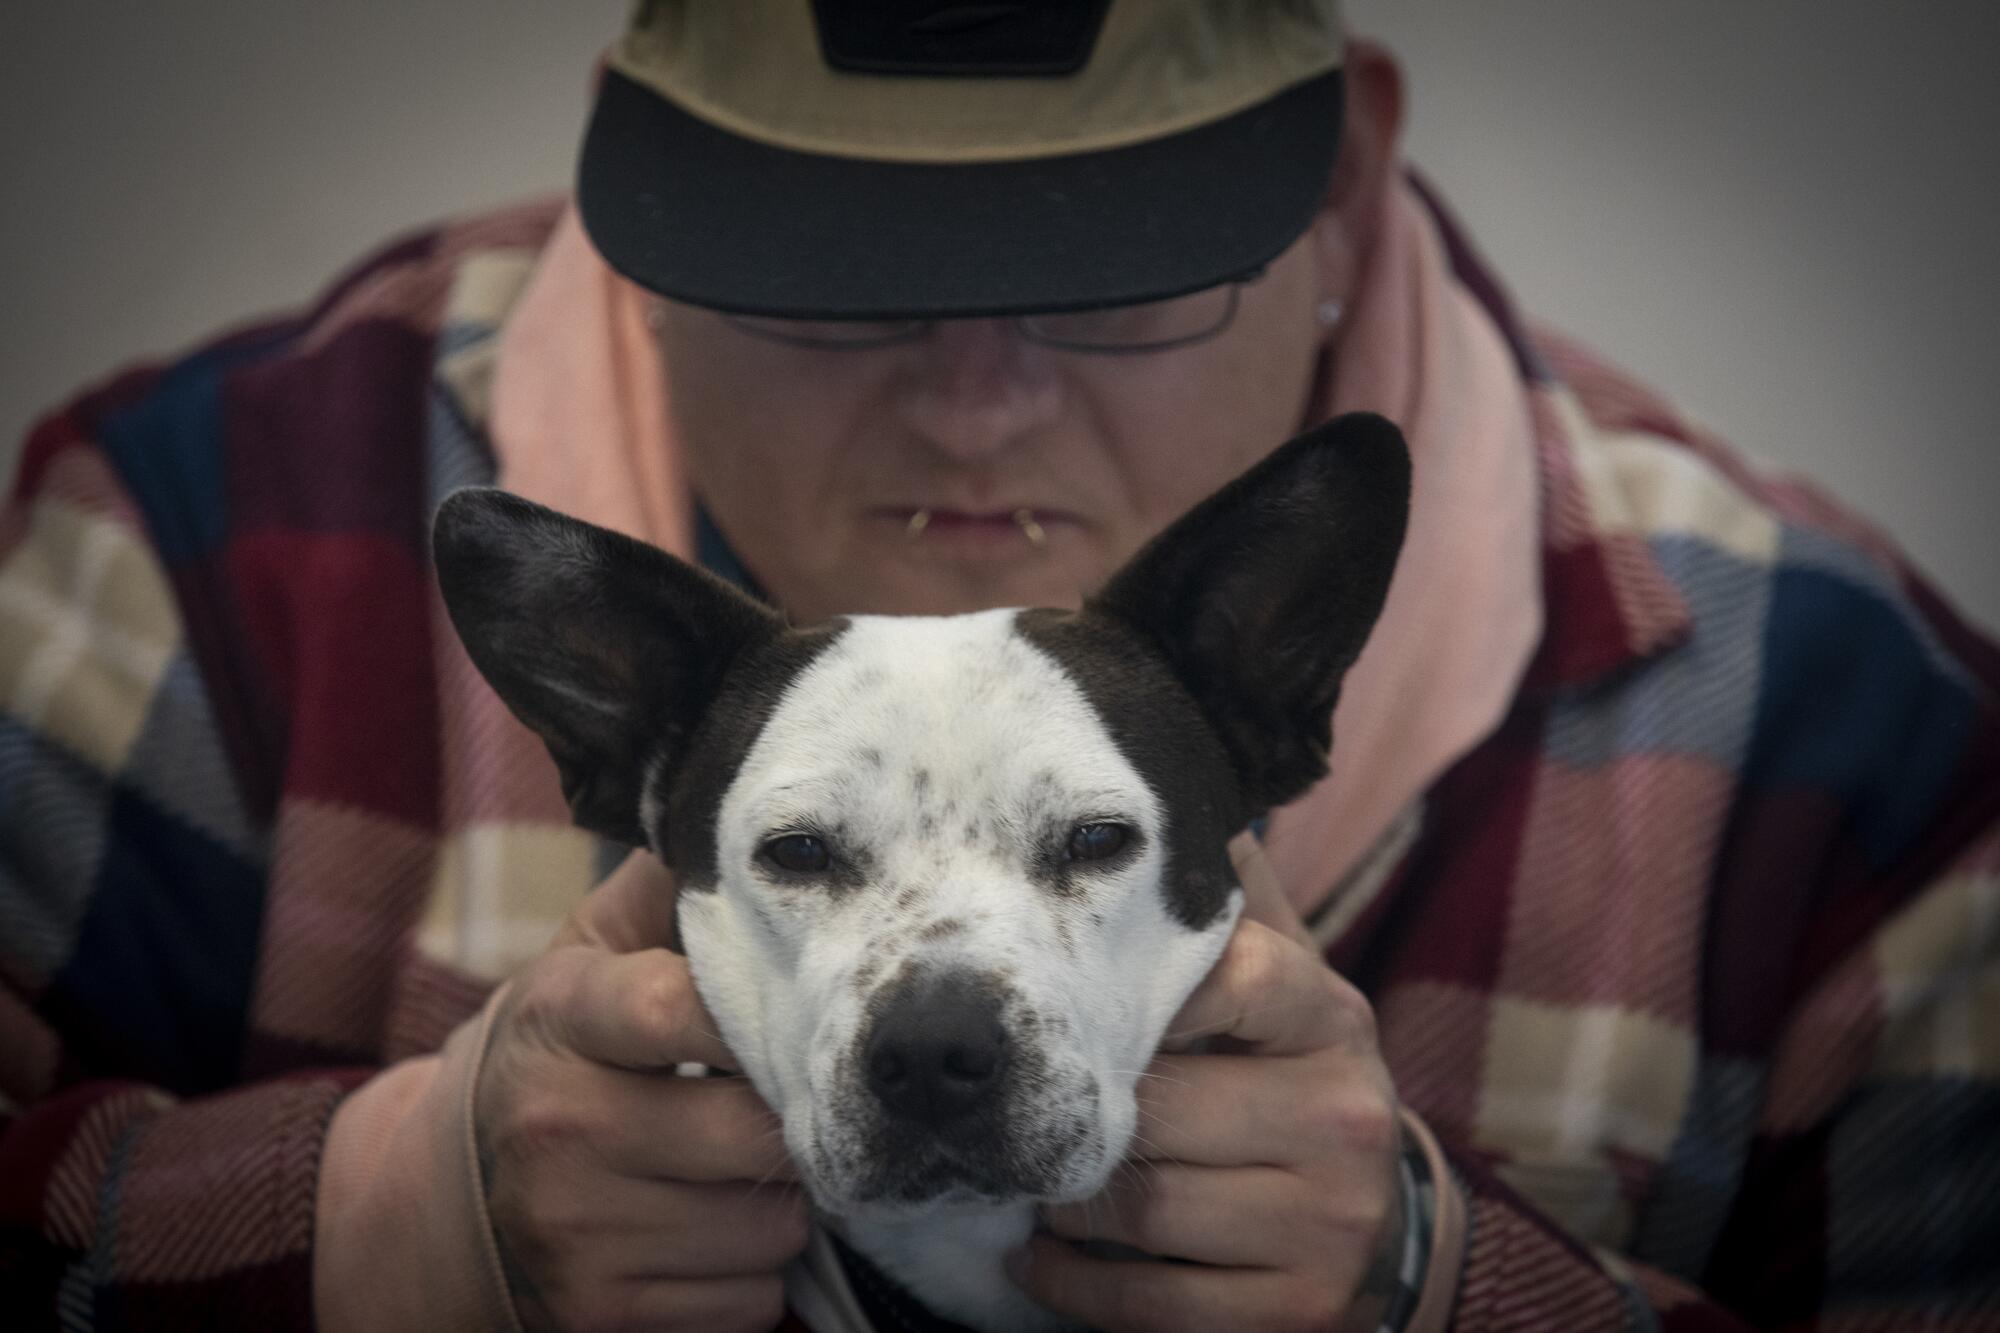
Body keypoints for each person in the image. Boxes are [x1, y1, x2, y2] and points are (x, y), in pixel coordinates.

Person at [1, 3, 1994, 1330]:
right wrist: (377, 1224)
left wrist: (1441, 1280)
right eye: (824, 277)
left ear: (1339, 195)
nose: (972, 407)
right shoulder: (209, 541)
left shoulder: (1839, 716)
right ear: (639, 218)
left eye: (1111, 271)